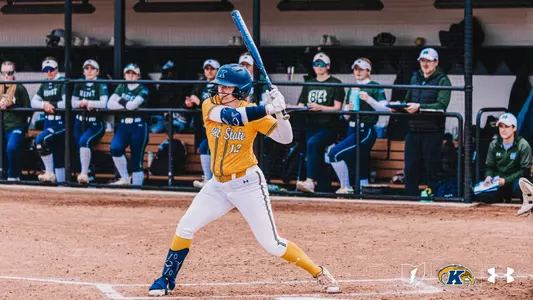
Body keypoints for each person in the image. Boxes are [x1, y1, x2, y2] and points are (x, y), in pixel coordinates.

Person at [148, 64, 340, 296]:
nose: (220, 90)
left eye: (227, 87)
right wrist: (270, 107)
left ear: (241, 91)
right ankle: (166, 279)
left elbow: (285, 137)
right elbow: (234, 117)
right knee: (185, 227)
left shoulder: (255, 112)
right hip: (217, 185)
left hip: (247, 184)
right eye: (220, 85)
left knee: (272, 244)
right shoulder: (212, 106)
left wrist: (281, 113)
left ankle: (318, 272)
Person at [390, 48, 452, 196]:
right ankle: (410, 197)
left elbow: (441, 106)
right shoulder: (415, 77)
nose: (425, 64)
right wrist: (399, 106)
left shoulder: (443, 80)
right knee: (410, 167)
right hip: (413, 129)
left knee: (431, 168)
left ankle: (433, 197)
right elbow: (408, 99)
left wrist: (420, 108)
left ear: (436, 62)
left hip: (432, 131)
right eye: (423, 61)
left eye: (429, 61)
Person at [328, 58, 388, 194]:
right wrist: (347, 110)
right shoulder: (352, 88)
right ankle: (362, 192)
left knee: (334, 154)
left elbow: (385, 109)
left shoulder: (375, 86)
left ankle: (346, 187)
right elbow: (344, 116)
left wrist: (369, 99)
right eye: (355, 69)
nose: (358, 72)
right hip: (351, 127)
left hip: (365, 128)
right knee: (358, 163)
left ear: (368, 71)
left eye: (361, 69)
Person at [296, 52, 344, 193]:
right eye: (316, 64)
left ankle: (310, 181)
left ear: (328, 66)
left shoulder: (336, 83)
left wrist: (320, 108)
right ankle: (324, 187)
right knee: (314, 153)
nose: (319, 67)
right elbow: (301, 103)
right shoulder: (309, 82)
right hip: (310, 124)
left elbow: (338, 108)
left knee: (313, 144)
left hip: (328, 126)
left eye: (322, 64)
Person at [107, 63, 149, 185]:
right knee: (115, 148)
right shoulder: (121, 87)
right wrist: (125, 104)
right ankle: (125, 178)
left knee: (137, 161)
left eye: (133, 73)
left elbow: (132, 106)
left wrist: (119, 100)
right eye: (128, 73)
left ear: (138, 76)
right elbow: (109, 105)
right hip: (124, 124)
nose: (130, 75)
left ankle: (137, 190)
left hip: (139, 125)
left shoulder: (142, 88)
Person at [476, 113, 532, 204]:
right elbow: (489, 166)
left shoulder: (523, 145)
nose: (503, 130)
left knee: (521, 186)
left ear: (514, 128)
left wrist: (506, 180)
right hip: (498, 181)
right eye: (501, 127)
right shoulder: (494, 144)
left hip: (515, 181)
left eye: (506, 126)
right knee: (480, 195)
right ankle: (501, 196)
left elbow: (525, 171)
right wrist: (488, 177)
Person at [72, 59, 108, 184]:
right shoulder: (79, 83)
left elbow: (104, 103)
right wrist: (82, 103)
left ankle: (84, 173)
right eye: (86, 69)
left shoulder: (100, 83)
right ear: (83, 71)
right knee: (79, 146)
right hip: (80, 121)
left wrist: (89, 102)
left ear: (97, 72)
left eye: (92, 69)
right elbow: (73, 103)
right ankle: (89, 175)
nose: (89, 71)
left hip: (94, 121)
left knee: (84, 142)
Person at [185, 59, 220, 188]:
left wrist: (200, 103)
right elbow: (193, 101)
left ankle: (212, 180)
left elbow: (217, 105)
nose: (209, 71)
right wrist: (189, 104)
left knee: (209, 148)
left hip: (218, 124)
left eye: (212, 69)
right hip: (204, 125)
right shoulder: (200, 84)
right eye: (207, 69)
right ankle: (208, 179)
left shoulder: (221, 85)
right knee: (204, 147)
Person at [31, 57, 66, 183]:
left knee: (41, 141)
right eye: (46, 70)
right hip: (48, 121)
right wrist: (43, 105)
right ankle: (59, 185)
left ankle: (50, 173)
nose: (49, 72)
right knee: (55, 152)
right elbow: (33, 102)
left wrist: (50, 104)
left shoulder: (62, 81)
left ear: (57, 69)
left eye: (51, 69)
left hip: (60, 122)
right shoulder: (45, 83)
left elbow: (66, 103)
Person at [0, 61, 31, 181]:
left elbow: (29, 110)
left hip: (16, 125)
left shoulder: (20, 88)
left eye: (10, 73)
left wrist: (12, 105)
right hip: (2, 125)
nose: (7, 76)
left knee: (12, 147)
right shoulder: (0, 87)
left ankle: (14, 175)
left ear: (14, 73)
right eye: (4, 73)